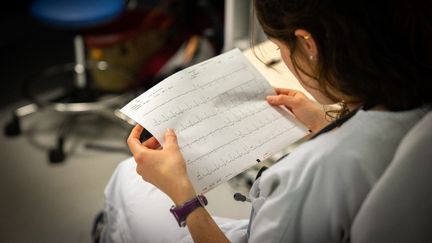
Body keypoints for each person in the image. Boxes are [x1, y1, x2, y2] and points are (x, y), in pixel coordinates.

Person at [100, 0, 431, 242]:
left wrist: (184, 198)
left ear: (307, 43)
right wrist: (326, 120)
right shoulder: (418, 108)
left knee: (127, 176)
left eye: (278, 47)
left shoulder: (305, 177)